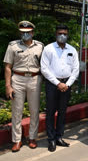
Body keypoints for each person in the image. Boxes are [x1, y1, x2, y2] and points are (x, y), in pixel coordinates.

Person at [3, 21, 43, 152]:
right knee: (17, 111)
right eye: (23, 32)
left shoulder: (40, 46)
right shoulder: (13, 46)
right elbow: (8, 67)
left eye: (28, 32)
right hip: (18, 79)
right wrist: (8, 86)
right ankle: (17, 140)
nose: (25, 34)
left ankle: (32, 137)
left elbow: (45, 66)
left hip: (34, 79)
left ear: (32, 32)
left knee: (34, 110)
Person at [40, 24, 79, 152]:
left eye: (65, 34)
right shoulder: (48, 49)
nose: (62, 36)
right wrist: (57, 83)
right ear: (56, 34)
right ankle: (51, 139)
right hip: (52, 84)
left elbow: (76, 69)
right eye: (60, 33)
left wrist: (67, 84)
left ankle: (59, 137)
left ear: (68, 35)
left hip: (66, 85)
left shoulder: (72, 50)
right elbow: (44, 69)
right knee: (50, 112)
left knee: (62, 112)